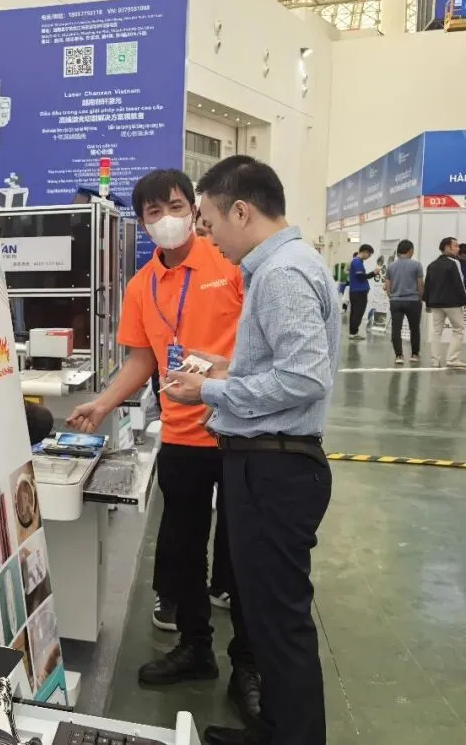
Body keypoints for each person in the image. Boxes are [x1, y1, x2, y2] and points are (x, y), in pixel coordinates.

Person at [66, 169, 261, 724]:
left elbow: (261, 340)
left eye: (175, 206)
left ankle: (249, 665)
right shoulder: (141, 286)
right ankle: (195, 648)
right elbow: (142, 359)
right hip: (181, 434)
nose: (167, 219)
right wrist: (103, 404)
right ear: (142, 222)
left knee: (244, 553)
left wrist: (225, 375)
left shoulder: (230, 264)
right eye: (154, 212)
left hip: (240, 429)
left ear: (194, 209)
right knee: (182, 549)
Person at [164, 156, 339, 745]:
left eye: (209, 222)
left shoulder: (282, 273)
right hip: (267, 462)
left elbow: (305, 378)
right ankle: (276, 730)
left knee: (280, 622)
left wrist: (209, 390)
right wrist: (228, 367)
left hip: (275, 468)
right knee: (265, 615)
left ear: (241, 211)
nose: (206, 236)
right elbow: (283, 366)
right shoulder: (284, 266)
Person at [422, 236, 466, 369]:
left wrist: (427, 303)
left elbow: (427, 285)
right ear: (447, 247)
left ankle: (435, 361)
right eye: (455, 246)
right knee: (458, 329)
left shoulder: (432, 265)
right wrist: (464, 300)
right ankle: (452, 359)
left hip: (436, 304)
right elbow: (459, 284)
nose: (458, 249)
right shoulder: (454, 263)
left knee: (436, 332)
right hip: (453, 303)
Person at [384, 239, 424, 365]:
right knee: (414, 328)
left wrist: (391, 297)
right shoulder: (417, 265)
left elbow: (387, 285)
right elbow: (420, 284)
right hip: (413, 301)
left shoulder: (391, 266)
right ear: (410, 250)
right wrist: (420, 297)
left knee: (396, 329)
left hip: (396, 301)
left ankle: (399, 356)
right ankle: (414, 354)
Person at [347, 244, 376, 339]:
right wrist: (373, 273)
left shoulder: (356, 261)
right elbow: (361, 277)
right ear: (365, 252)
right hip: (359, 292)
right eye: (369, 254)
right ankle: (353, 333)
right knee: (358, 313)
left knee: (355, 312)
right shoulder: (357, 262)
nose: (369, 257)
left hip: (356, 291)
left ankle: (353, 333)